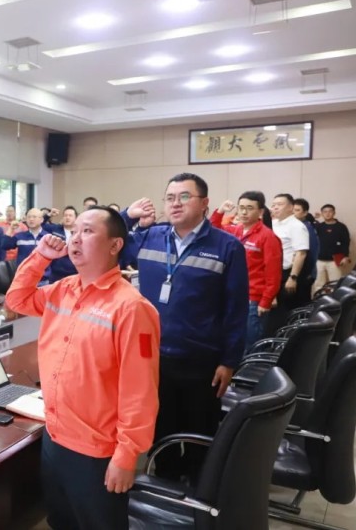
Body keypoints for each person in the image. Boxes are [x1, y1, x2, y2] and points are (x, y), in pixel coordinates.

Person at [6, 206, 160, 530]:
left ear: (115, 245)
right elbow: (17, 300)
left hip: (97, 451)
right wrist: (40, 257)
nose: (75, 238)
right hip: (55, 437)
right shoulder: (63, 290)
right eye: (73, 231)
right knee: (61, 521)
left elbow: (140, 391)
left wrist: (127, 455)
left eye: (87, 231)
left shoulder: (131, 308)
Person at [122, 173, 248, 483]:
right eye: (170, 198)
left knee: (198, 434)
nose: (175, 204)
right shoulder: (150, 237)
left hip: (201, 360)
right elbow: (108, 244)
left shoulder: (227, 247)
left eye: (184, 197)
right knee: (161, 429)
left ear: (205, 203)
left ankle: (197, 491)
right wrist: (127, 217)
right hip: (153, 358)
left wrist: (229, 360)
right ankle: (164, 486)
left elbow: (236, 310)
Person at [210, 192, 282, 350]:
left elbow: (273, 273)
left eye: (249, 208)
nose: (244, 212)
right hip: (233, 296)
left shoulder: (268, 237)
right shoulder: (235, 231)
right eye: (241, 207)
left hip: (254, 300)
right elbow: (213, 230)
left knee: (251, 343)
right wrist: (220, 211)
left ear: (260, 212)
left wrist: (266, 301)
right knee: (232, 340)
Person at [269, 193, 310, 332]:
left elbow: (301, 253)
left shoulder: (296, 226)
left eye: (279, 204)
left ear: (291, 207)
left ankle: (282, 339)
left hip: (286, 273)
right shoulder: (273, 223)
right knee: (272, 312)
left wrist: (293, 277)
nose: (275, 207)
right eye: (273, 205)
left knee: (282, 311)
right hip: (272, 272)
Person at [1, 208, 53, 284]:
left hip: (42, 280)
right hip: (23, 279)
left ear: (41, 220)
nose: (31, 219)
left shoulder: (48, 237)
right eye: (29, 217)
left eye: (34, 217)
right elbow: (4, 245)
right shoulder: (20, 236)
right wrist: (11, 229)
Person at [314, 204, 351, 293]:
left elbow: (346, 242)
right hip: (319, 260)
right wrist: (314, 219)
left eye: (330, 211)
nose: (327, 214)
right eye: (325, 212)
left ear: (334, 213)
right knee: (318, 284)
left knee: (335, 284)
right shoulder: (318, 226)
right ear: (322, 213)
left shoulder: (341, 227)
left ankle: (334, 301)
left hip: (335, 260)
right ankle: (319, 300)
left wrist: (345, 256)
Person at [293, 198, 320, 294]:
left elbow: (312, 253)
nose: (293, 213)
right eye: (292, 210)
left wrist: (308, 274)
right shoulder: (295, 226)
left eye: (297, 210)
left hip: (303, 274)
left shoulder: (305, 228)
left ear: (305, 213)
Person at [49, 206, 78, 283]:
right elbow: (41, 225)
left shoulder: (79, 232)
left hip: (75, 271)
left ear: (76, 218)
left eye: (70, 215)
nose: (67, 218)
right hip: (57, 272)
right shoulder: (56, 229)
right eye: (65, 215)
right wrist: (49, 215)